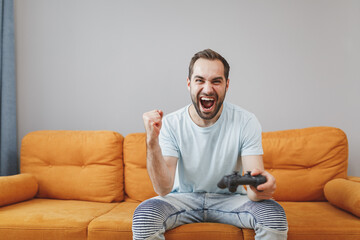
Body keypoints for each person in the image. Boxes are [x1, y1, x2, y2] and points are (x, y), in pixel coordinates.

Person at [132, 49, 288, 240]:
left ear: (227, 85)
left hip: (230, 201)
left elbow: (253, 190)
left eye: (216, 81)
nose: (207, 89)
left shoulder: (246, 121)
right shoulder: (172, 124)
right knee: (144, 214)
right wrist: (151, 142)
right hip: (183, 200)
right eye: (200, 80)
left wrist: (261, 187)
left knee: (273, 213)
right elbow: (163, 189)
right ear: (189, 84)